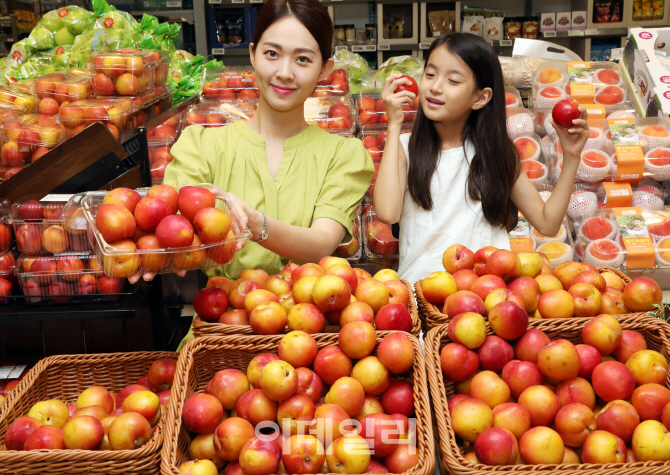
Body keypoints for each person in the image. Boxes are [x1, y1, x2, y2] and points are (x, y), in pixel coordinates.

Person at [152, 0, 374, 347]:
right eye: (273, 54)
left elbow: (319, 245)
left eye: (303, 59)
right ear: (253, 54)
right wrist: (152, 250)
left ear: (325, 68)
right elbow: (172, 227)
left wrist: (257, 224)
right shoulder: (201, 146)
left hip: (311, 344)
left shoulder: (343, 156)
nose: (285, 72)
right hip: (220, 334)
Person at [373, 33, 590, 285]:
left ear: (480, 98)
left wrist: (572, 156)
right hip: (422, 296)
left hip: (487, 298)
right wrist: (394, 124)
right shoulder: (404, 147)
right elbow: (387, 213)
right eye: (430, 75)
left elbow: (548, 223)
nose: (435, 86)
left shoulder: (497, 153)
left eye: (453, 80)